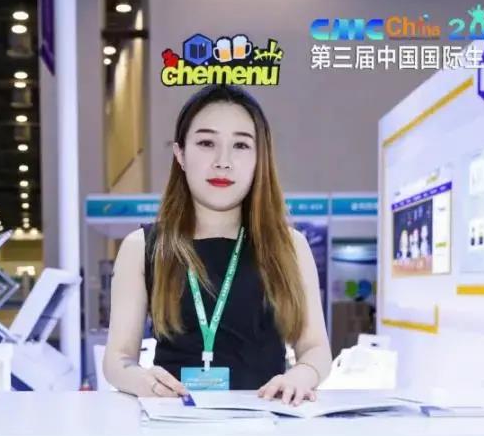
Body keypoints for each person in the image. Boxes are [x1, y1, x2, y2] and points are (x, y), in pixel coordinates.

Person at [103, 84, 332, 405]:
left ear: (260, 158)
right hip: (172, 420)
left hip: (267, 421)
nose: (223, 161)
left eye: (241, 145)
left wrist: (301, 376)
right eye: (206, 143)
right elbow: (117, 359)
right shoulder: (142, 247)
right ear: (180, 154)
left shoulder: (290, 247)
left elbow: (316, 348)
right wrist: (140, 380)